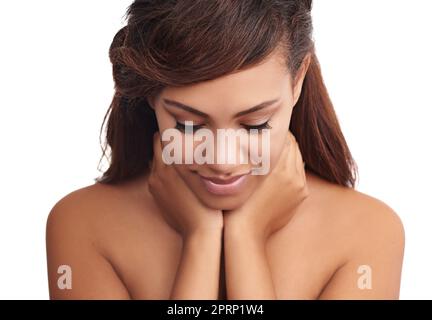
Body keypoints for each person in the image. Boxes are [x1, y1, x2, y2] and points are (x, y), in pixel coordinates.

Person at [46, 0, 404, 299]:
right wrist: (200, 240)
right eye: (188, 125)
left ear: (297, 82)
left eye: (255, 125)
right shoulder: (83, 225)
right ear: (150, 94)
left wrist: (245, 237)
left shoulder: (367, 232)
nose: (222, 160)